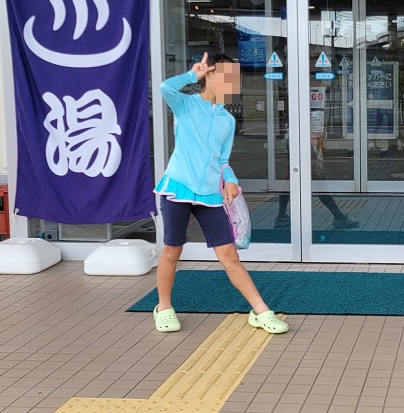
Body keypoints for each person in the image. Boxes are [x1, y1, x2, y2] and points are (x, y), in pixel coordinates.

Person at [153, 52, 288, 335]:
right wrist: (192, 75)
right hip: (178, 187)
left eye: (236, 79)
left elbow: (222, 161)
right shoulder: (186, 105)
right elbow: (164, 87)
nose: (234, 84)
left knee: (229, 255)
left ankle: (261, 311)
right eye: (228, 76)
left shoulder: (227, 120)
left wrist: (230, 181)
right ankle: (164, 307)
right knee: (172, 251)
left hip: (209, 196)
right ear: (211, 74)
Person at [274, 136, 358, 229]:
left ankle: (281, 217)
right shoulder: (305, 139)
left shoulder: (297, 139)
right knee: (321, 191)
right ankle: (339, 218)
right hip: (307, 162)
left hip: (301, 156)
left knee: (288, 187)